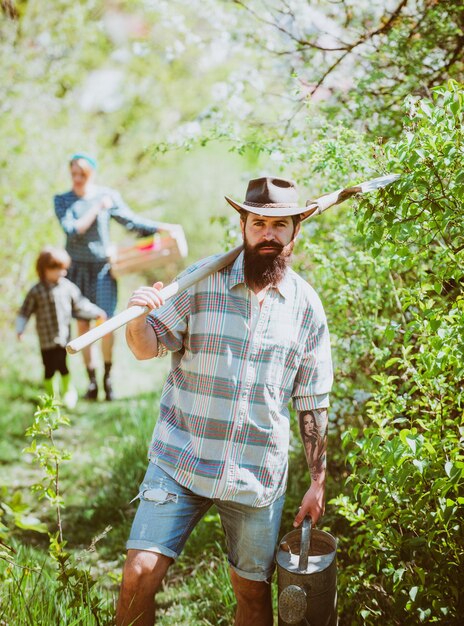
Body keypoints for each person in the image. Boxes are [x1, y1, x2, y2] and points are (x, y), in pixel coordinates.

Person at [116, 176, 333, 626]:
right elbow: (145, 346)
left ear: (295, 231)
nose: (268, 235)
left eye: (279, 226)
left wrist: (317, 480)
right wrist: (137, 317)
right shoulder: (200, 282)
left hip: (256, 475)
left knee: (253, 594)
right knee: (138, 575)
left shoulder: (306, 308)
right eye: (259, 224)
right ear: (243, 225)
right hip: (182, 458)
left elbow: (311, 402)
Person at [54, 152, 161, 401]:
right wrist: (96, 208)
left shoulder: (107, 196)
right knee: (82, 324)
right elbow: (72, 231)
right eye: (74, 173)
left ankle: (107, 379)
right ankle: (91, 382)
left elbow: (130, 221)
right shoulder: (63, 200)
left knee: (106, 323)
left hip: (102, 269)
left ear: (91, 173)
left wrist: (161, 228)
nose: (78, 178)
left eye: (83, 173)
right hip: (76, 269)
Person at [16, 246, 107, 409]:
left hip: (63, 338)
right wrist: (20, 329)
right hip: (45, 339)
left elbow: (81, 304)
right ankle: (50, 397)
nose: (62, 273)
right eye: (57, 269)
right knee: (49, 368)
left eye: (63, 269)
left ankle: (67, 392)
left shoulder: (67, 287)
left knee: (62, 365)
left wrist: (96, 312)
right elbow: (25, 311)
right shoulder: (36, 291)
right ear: (45, 269)